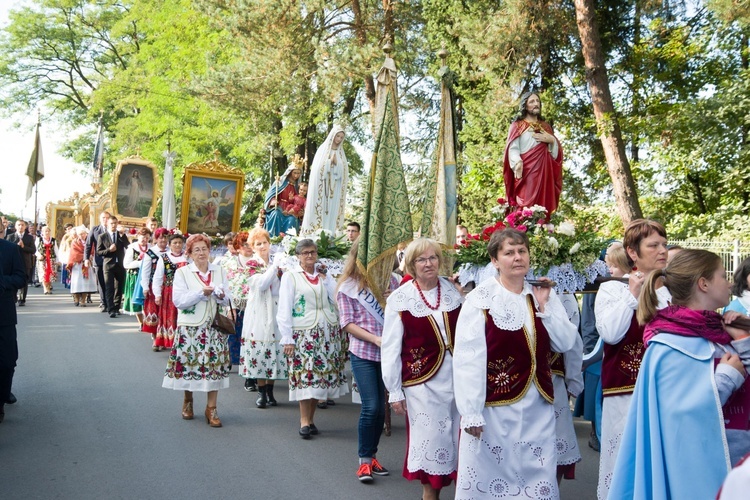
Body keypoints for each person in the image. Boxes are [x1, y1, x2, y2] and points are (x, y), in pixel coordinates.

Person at [609, 249, 750, 499]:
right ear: (703, 283)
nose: (730, 282)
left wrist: (743, 341)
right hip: (695, 470)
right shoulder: (667, 345)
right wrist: (726, 378)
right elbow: (678, 418)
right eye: (722, 275)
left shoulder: (725, 333)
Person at [452, 229, 577, 499]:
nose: (517, 257)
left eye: (522, 251)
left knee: (537, 474)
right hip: (496, 406)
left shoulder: (541, 294)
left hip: (539, 406)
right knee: (495, 475)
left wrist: (544, 308)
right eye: (509, 253)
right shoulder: (481, 300)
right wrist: (471, 411)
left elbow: (566, 342)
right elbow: (468, 358)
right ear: (495, 261)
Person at [381, 238, 464, 500]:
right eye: (421, 259)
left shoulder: (452, 292)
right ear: (411, 265)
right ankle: (430, 496)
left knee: (458, 439)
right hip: (421, 383)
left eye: (433, 258)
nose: (428, 264)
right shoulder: (400, 299)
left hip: (457, 381)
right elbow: (390, 347)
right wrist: (394, 390)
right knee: (432, 440)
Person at [595, 219, 670, 500]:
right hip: (626, 390)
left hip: (666, 391)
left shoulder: (674, 291)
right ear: (633, 252)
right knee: (624, 463)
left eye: (664, 243)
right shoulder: (614, 288)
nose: (662, 250)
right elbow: (610, 334)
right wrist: (633, 296)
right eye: (653, 245)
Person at [337, 240, 399, 482]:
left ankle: (372, 456)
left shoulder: (393, 282)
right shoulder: (349, 286)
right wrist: (374, 339)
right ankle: (364, 460)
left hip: (390, 354)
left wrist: (395, 299)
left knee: (382, 409)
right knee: (371, 406)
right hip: (364, 351)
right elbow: (347, 323)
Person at [278, 239, 348, 438]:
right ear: (298, 256)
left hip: (326, 333)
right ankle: (304, 421)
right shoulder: (291, 277)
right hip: (304, 334)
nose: (310, 256)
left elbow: (337, 299)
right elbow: (284, 309)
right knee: (305, 376)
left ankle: (311, 419)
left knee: (320, 378)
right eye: (306, 253)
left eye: (313, 252)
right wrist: (287, 337)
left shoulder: (323, 276)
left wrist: (327, 280)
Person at [163, 234, 231, 427]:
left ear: (209, 251)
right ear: (190, 254)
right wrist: (201, 293)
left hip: (214, 327)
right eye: (197, 250)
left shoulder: (219, 270)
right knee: (190, 366)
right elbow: (179, 301)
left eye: (204, 249)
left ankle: (212, 408)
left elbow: (228, 299)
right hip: (191, 328)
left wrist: (220, 295)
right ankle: (188, 400)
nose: (201, 253)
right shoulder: (183, 273)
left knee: (214, 369)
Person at [240, 227, 287, 407]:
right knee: (260, 347)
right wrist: (274, 267)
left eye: (264, 243)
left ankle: (270, 390)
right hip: (259, 310)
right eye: (258, 244)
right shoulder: (252, 264)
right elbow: (261, 284)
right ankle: (261, 391)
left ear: (269, 243)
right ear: (252, 247)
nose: (262, 246)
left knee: (275, 348)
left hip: (276, 307)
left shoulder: (279, 262)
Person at [502, 92, 563, 214]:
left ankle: (543, 228)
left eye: (537, 101)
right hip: (526, 171)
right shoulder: (517, 126)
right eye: (532, 102)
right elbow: (513, 148)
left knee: (544, 204)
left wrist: (552, 140)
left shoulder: (545, 127)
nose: (536, 104)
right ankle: (525, 227)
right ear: (525, 105)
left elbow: (555, 155)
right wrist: (517, 162)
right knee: (526, 202)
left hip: (544, 171)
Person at [301, 125, 348, 235]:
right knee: (319, 212)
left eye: (341, 137)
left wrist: (337, 164)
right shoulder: (323, 151)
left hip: (335, 190)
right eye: (338, 136)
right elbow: (317, 170)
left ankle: (332, 235)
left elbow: (344, 173)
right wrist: (328, 163)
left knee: (332, 213)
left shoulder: (341, 154)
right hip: (322, 190)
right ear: (333, 136)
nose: (339, 139)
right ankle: (315, 234)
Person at [218, 231, 255, 371]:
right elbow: (224, 286)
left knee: (251, 336)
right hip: (234, 304)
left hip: (254, 305)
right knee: (231, 334)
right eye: (244, 244)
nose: (248, 247)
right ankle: (227, 359)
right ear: (238, 246)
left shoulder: (259, 262)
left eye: (250, 244)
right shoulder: (227, 262)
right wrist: (230, 307)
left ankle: (248, 367)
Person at [0, 237, 27, 423]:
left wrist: (2, 282)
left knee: (7, 361)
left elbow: (21, 277)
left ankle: (3, 394)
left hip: (3, 315)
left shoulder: (10, 249)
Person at [152, 234, 188, 350]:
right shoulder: (164, 258)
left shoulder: (188, 257)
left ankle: (180, 341)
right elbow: (157, 277)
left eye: (179, 242)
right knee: (168, 316)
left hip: (184, 290)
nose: (177, 245)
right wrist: (157, 294)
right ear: (169, 245)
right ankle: (164, 340)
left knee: (182, 315)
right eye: (175, 243)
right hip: (169, 291)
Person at [141, 228, 169, 350]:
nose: (163, 240)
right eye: (160, 237)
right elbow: (145, 272)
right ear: (156, 239)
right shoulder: (150, 253)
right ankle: (155, 338)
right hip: (154, 286)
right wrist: (145, 287)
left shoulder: (171, 252)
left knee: (165, 313)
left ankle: (162, 339)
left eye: (165, 237)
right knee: (153, 313)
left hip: (168, 286)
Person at [96, 216, 129, 318]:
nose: (114, 225)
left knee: (118, 287)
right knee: (109, 287)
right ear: (107, 224)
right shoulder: (102, 236)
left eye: (115, 223)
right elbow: (99, 252)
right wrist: (109, 250)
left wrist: (123, 236)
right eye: (111, 223)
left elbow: (128, 246)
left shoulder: (121, 235)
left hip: (119, 264)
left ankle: (116, 307)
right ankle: (110, 309)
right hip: (108, 265)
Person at [122, 228, 151, 327]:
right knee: (137, 300)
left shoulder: (151, 248)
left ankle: (148, 321)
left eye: (147, 238)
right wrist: (140, 263)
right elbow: (126, 264)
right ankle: (141, 323)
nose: (145, 240)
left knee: (148, 299)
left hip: (147, 276)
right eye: (143, 237)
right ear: (138, 236)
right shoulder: (132, 248)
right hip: (135, 276)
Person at [264, 163, 302, 237]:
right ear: (290, 172)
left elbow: (297, 201)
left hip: (289, 209)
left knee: (292, 219)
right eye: (295, 173)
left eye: (298, 173)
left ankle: (288, 240)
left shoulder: (297, 186)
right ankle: (273, 237)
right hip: (278, 206)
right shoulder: (280, 182)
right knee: (276, 214)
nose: (296, 175)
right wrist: (273, 200)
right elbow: (271, 193)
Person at [85, 211, 110, 311]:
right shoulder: (95, 230)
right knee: (101, 282)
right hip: (99, 260)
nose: (105, 220)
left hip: (110, 260)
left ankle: (110, 302)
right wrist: (86, 258)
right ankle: (103, 302)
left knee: (110, 282)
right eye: (103, 217)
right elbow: (88, 245)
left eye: (107, 218)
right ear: (100, 219)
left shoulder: (112, 230)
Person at [6, 221, 34, 306]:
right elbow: (7, 249)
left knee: (24, 280)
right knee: (13, 279)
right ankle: (14, 297)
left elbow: (33, 250)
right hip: (13, 262)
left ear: (25, 227)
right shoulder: (10, 237)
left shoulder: (29, 237)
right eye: (19, 225)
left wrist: (23, 247)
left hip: (25, 262)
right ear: (15, 226)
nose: (20, 227)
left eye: (22, 225)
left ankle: (22, 299)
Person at [67, 226, 97, 307]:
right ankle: (76, 299)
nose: (81, 236)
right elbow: (74, 254)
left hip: (87, 265)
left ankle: (83, 300)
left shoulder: (90, 242)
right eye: (80, 234)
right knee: (77, 282)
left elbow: (93, 250)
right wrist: (85, 256)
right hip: (77, 265)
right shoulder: (74, 242)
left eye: (83, 234)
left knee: (85, 283)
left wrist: (90, 256)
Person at [34, 225, 59, 295]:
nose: (47, 233)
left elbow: (56, 249)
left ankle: (48, 286)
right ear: (42, 232)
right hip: (42, 259)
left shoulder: (53, 240)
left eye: (48, 231)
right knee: (43, 274)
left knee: (50, 274)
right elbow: (35, 249)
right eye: (45, 231)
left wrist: (58, 259)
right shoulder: (39, 239)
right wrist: (39, 255)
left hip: (51, 259)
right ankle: (45, 288)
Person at [58, 224, 74, 292]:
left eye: (71, 228)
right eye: (68, 229)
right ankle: (69, 286)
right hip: (66, 257)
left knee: (72, 274)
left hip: (73, 257)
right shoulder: (65, 237)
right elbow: (62, 248)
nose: (69, 230)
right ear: (65, 230)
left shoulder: (74, 236)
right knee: (68, 274)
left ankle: (73, 287)